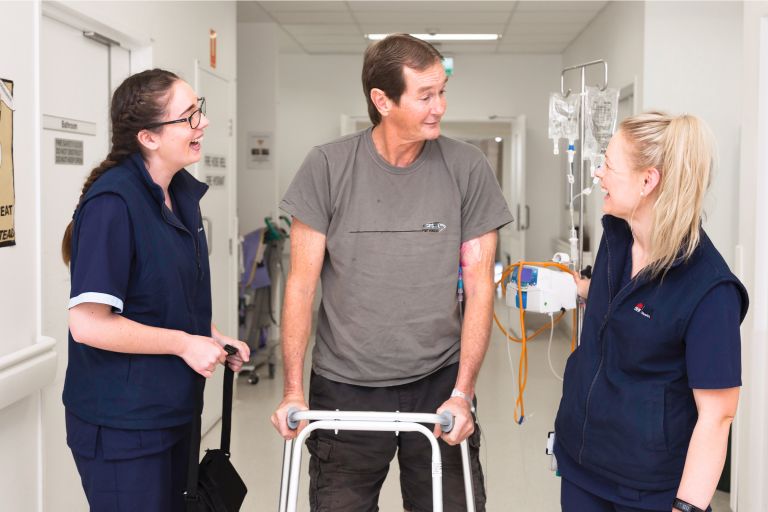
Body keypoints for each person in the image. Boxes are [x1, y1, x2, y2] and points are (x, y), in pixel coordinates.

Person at [270, 34, 513, 511]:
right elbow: (301, 285)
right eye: (425, 95)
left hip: (439, 382)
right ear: (382, 101)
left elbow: (481, 287)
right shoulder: (327, 166)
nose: (439, 106)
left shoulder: (468, 168)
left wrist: (463, 393)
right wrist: (293, 390)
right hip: (344, 387)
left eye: (442, 91)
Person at [61, 68, 250, 512]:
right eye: (188, 117)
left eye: (198, 109)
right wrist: (185, 344)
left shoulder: (178, 194)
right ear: (148, 137)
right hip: (124, 426)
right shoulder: (113, 204)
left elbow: (166, 296)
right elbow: (88, 324)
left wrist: (213, 336)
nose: (201, 123)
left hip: (174, 412)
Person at [555, 112, 748, 512]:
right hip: (580, 463)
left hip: (647, 490)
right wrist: (586, 290)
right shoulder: (616, 238)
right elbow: (628, 305)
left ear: (648, 181)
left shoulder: (709, 289)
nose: (597, 174)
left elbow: (718, 416)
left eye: (608, 164)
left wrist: (686, 507)